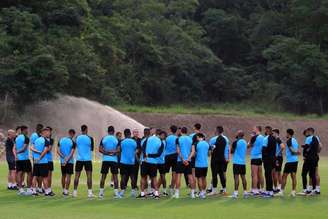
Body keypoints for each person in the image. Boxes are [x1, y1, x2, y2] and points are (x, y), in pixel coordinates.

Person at [138, 128, 163, 199]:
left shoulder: (147, 139)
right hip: (153, 162)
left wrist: (146, 156)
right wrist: (150, 155)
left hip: (145, 161)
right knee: (154, 178)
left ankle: (143, 194)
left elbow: (142, 148)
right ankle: (156, 194)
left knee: (143, 178)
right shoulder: (160, 141)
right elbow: (158, 154)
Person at [73, 125, 94, 198]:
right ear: (86, 129)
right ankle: (90, 193)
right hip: (87, 159)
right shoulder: (90, 138)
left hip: (79, 159)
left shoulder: (77, 138)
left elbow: (75, 147)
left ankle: (74, 192)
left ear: (81, 130)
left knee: (77, 176)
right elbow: (91, 149)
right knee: (89, 176)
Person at [276, 129, 299, 197]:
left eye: (286, 133)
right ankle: (293, 192)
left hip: (290, 161)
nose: (286, 135)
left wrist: (296, 152)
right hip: (295, 161)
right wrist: (297, 152)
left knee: (284, 176)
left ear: (288, 134)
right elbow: (296, 149)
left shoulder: (289, 140)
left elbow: (292, 150)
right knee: (293, 176)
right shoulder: (295, 140)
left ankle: (281, 192)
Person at [99, 126, 120, 198]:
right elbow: (118, 150)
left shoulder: (104, 138)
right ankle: (116, 194)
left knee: (103, 176)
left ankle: (101, 193)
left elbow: (100, 149)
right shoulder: (116, 139)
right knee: (115, 177)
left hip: (105, 160)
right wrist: (113, 152)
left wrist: (106, 153)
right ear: (113, 131)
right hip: (114, 160)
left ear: (108, 131)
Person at [174, 127, 195, 199]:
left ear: (181, 132)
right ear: (186, 131)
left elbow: (178, 151)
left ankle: (177, 194)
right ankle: (192, 194)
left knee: (178, 176)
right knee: (190, 177)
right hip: (188, 161)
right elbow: (193, 151)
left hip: (180, 160)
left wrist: (183, 159)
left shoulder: (178, 139)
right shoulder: (190, 139)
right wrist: (188, 159)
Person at [31, 127, 53, 196]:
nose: (49, 133)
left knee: (35, 176)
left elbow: (31, 147)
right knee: (45, 177)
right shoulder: (46, 140)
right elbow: (45, 150)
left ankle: (34, 192)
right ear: (44, 133)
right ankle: (47, 192)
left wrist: (36, 151)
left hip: (36, 161)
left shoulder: (37, 140)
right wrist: (40, 157)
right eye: (47, 132)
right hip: (43, 162)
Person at [208, 126, 229, 195]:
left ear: (217, 131)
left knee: (214, 175)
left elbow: (213, 148)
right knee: (222, 175)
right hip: (222, 159)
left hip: (215, 160)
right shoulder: (225, 139)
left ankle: (214, 190)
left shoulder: (217, 139)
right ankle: (224, 189)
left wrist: (211, 148)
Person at [14, 125, 33, 195]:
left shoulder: (17, 138)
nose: (27, 131)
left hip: (18, 159)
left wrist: (16, 154)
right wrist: (17, 152)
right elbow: (24, 149)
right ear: (23, 130)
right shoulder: (26, 138)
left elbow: (15, 148)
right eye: (27, 130)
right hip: (25, 159)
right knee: (29, 173)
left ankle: (20, 190)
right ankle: (28, 189)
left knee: (19, 173)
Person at [119, 128, 138, 197]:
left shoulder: (122, 142)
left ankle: (122, 191)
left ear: (124, 134)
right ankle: (133, 191)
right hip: (131, 162)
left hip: (123, 162)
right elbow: (135, 151)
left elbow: (120, 151)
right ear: (130, 134)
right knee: (132, 177)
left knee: (123, 177)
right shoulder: (134, 142)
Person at [57, 129, 76, 196]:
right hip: (69, 161)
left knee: (63, 175)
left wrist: (64, 158)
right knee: (68, 176)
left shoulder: (61, 140)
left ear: (68, 133)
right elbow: (71, 153)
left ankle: (63, 190)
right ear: (73, 134)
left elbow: (58, 151)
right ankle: (66, 191)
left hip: (62, 161)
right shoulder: (73, 142)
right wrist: (67, 159)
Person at [301, 127, 319, 195]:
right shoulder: (316, 138)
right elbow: (315, 147)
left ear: (310, 131)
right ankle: (314, 190)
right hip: (314, 158)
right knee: (312, 175)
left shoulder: (309, 138)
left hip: (308, 159)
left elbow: (306, 147)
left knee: (303, 174)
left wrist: (305, 155)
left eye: (307, 131)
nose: (307, 132)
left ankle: (305, 190)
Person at [231, 130, 248, 198]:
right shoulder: (245, 142)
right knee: (243, 177)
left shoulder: (236, 142)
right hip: (243, 162)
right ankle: (245, 192)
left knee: (236, 177)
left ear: (238, 135)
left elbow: (232, 151)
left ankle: (235, 193)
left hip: (236, 162)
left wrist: (232, 147)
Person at [248, 126, 264, 195]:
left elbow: (248, 146)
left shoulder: (254, 137)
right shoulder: (263, 137)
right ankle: (261, 189)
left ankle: (255, 190)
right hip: (260, 157)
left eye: (254, 128)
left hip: (254, 157)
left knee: (254, 175)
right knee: (260, 174)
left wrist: (251, 138)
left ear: (257, 129)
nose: (253, 129)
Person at [262, 126, 276, 197]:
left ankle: (270, 192)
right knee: (269, 175)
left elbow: (264, 149)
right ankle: (268, 191)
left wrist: (263, 158)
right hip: (273, 159)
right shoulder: (274, 138)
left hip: (267, 159)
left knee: (268, 175)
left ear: (267, 130)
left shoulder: (266, 138)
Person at [195, 133, 210, 199]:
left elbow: (194, 154)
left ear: (198, 137)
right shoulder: (207, 144)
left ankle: (201, 192)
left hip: (198, 164)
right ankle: (203, 192)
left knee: (199, 178)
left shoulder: (197, 144)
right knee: (204, 178)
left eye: (197, 137)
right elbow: (209, 154)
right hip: (205, 164)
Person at [164, 125, 178, 195]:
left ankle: (159, 188)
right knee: (174, 173)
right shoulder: (177, 138)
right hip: (175, 156)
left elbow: (164, 147)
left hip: (167, 156)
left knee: (163, 173)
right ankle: (172, 189)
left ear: (170, 130)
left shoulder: (167, 138)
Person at [272, 129, 284, 193]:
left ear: (276, 133)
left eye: (273, 133)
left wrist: (277, 154)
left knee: (276, 172)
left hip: (277, 158)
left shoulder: (278, 139)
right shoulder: (277, 139)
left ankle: (276, 187)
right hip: (279, 157)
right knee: (278, 172)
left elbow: (282, 147)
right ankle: (279, 186)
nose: (272, 134)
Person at [157, 131, 168, 196]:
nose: (162, 136)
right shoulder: (162, 142)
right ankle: (154, 191)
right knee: (154, 177)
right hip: (156, 161)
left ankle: (164, 191)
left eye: (163, 135)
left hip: (161, 161)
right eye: (161, 135)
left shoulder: (163, 142)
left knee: (162, 176)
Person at [46, 126, 55, 196]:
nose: (48, 132)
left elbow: (49, 149)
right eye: (47, 131)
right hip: (42, 160)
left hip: (49, 159)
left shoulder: (51, 140)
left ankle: (49, 189)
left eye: (49, 131)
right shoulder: (41, 139)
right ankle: (42, 188)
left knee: (49, 175)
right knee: (41, 176)